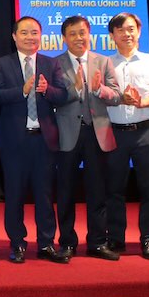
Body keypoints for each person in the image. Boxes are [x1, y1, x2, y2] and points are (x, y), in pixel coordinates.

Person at [0, 16, 68, 264]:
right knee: (14, 194)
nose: (30, 37)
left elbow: (63, 95)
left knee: (44, 195)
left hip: (43, 140)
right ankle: (18, 243)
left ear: (41, 36)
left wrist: (48, 90)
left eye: (34, 33)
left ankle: (46, 243)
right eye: (24, 33)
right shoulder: (2, 64)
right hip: (14, 141)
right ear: (14, 37)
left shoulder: (50, 63)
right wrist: (22, 91)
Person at [52, 16, 122, 261]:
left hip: (97, 134)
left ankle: (97, 242)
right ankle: (67, 242)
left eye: (82, 33)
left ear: (89, 34)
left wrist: (97, 89)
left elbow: (116, 96)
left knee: (97, 190)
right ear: (64, 38)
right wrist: (75, 89)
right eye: (72, 34)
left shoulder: (103, 62)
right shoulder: (55, 64)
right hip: (67, 135)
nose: (78, 38)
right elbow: (53, 97)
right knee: (66, 191)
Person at [106, 12, 149, 260]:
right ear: (112, 35)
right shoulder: (105, 64)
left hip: (146, 132)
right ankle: (115, 238)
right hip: (115, 134)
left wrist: (143, 102)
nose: (127, 34)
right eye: (121, 30)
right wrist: (116, 98)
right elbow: (99, 97)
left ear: (139, 31)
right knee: (114, 189)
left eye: (131, 29)